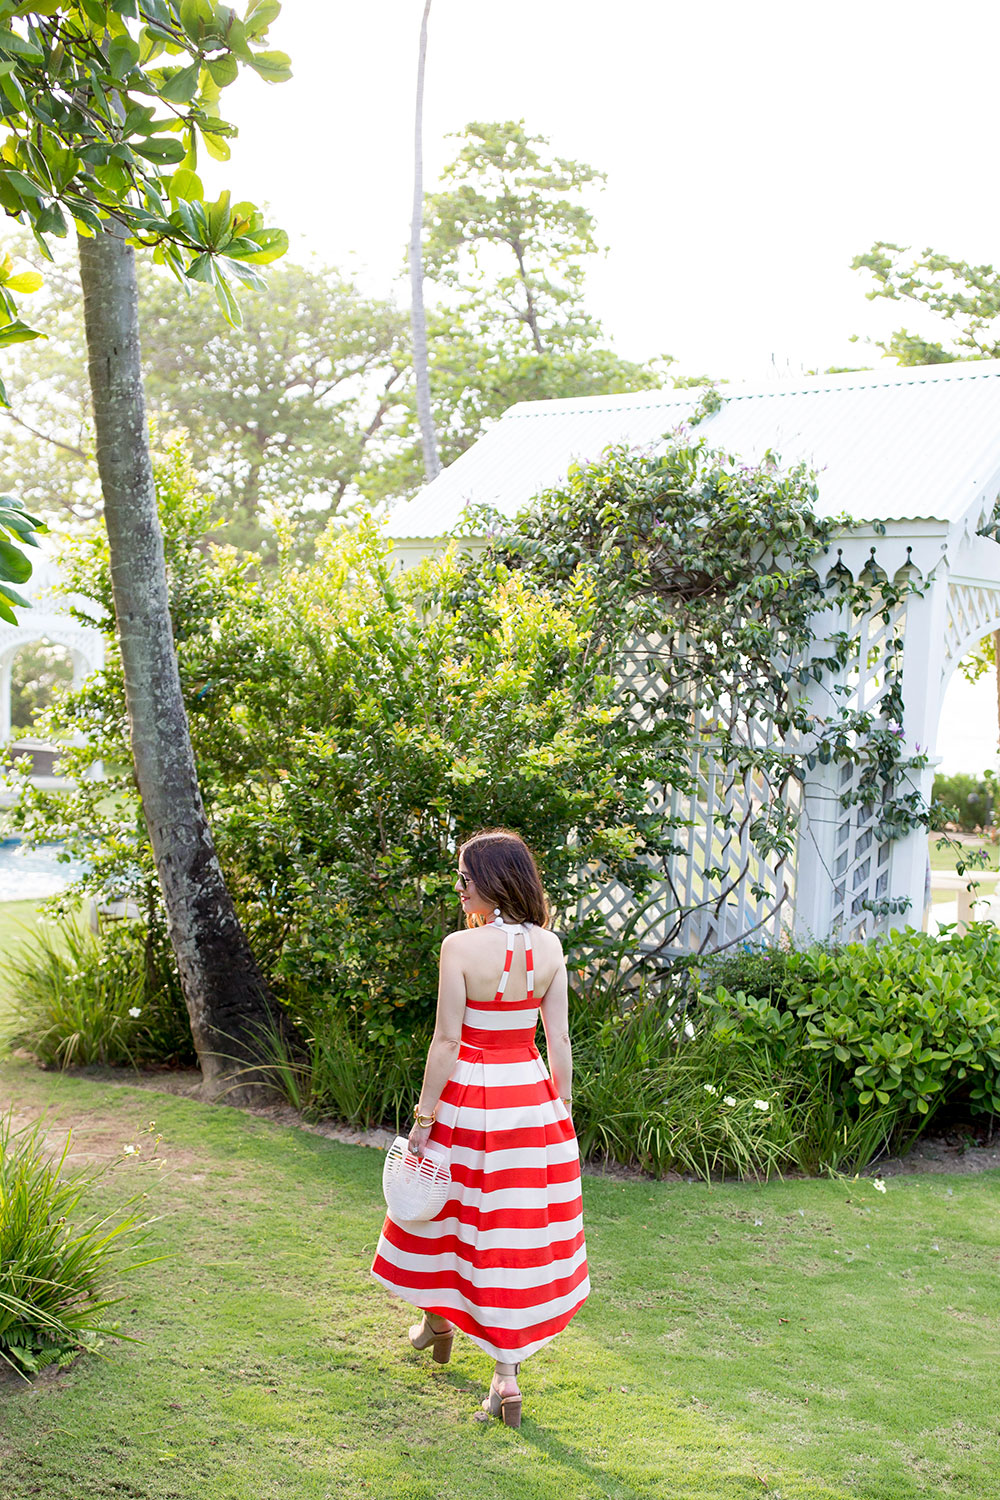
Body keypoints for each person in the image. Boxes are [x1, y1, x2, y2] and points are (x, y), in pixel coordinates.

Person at [370, 827, 590, 1428]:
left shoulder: (458, 948)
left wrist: (423, 1118)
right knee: (507, 1230)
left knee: (450, 1212)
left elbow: (445, 1042)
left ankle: (453, 1335)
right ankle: (493, 1367)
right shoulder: (550, 947)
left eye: (465, 878)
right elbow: (559, 1040)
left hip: (471, 1094)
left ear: (491, 883)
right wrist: (561, 1110)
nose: (460, 888)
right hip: (531, 1098)